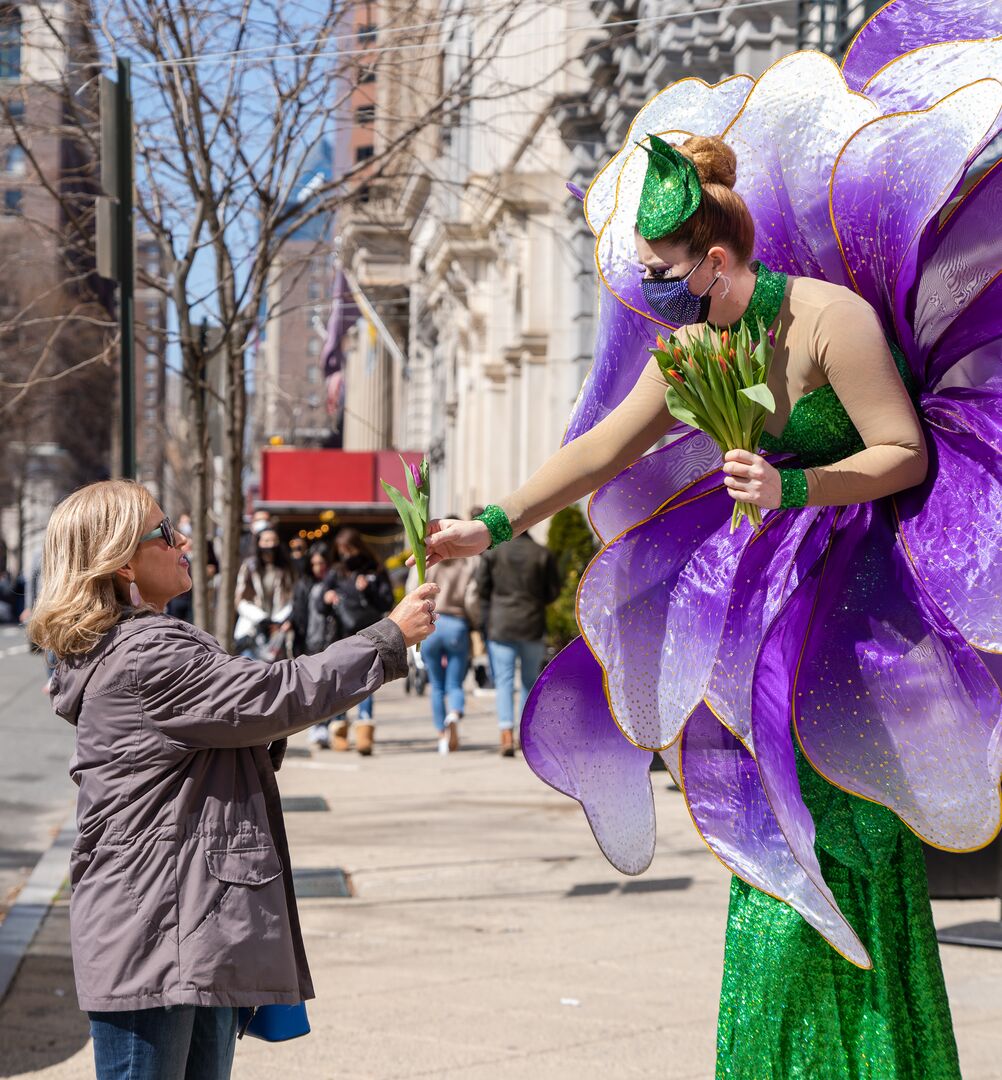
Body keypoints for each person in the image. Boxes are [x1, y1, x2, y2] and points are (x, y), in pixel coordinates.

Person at [417, 24, 1001, 1071]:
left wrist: (793, 482)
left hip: (859, 602)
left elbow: (903, 455)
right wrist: (491, 520)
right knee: (766, 838)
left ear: (717, 259)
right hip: (760, 603)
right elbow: (601, 445)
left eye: (662, 272)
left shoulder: (831, 323)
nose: (651, 295)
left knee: (854, 829)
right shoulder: (690, 349)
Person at [27, 479, 438, 1080]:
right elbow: (274, 694)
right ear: (121, 565)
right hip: (157, 934)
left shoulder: (138, 649)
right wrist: (387, 636)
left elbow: (244, 714)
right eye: (165, 534)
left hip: (181, 924)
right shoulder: (146, 656)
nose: (183, 540)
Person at [475, 531, 559, 756]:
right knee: (530, 681)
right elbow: (553, 591)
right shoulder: (542, 553)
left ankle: (505, 734)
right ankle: (525, 734)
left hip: (501, 623)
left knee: (504, 680)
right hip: (532, 622)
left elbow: (482, 587)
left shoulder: (493, 553)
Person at [316, 527, 395, 754]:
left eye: (349, 550)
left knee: (367, 681)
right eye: (342, 551)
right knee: (341, 683)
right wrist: (326, 598)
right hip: (341, 636)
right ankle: (339, 729)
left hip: (368, 635)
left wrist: (369, 589)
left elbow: (385, 602)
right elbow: (320, 606)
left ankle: (364, 731)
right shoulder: (336, 572)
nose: (346, 555)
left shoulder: (375, 570)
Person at [417, 536, 480, 754]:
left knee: (436, 685)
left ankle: (441, 736)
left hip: (432, 622)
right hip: (457, 624)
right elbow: (472, 598)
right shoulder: (468, 562)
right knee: (455, 683)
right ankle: (454, 713)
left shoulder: (427, 562)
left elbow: (412, 589)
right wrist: (474, 622)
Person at [291, 544, 341, 749]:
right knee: (315, 687)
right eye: (314, 564)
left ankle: (332, 727)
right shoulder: (304, 585)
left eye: (322, 563)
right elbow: (299, 614)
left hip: (333, 640)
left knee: (334, 687)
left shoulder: (336, 582)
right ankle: (318, 726)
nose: (318, 567)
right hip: (311, 641)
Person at [234, 526, 294, 660]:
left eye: (274, 540)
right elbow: (240, 600)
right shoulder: (249, 567)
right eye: (266, 541)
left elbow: (289, 596)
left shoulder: (284, 568)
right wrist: (262, 619)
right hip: (251, 630)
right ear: (259, 543)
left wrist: (278, 621)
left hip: (277, 631)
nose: (270, 544)